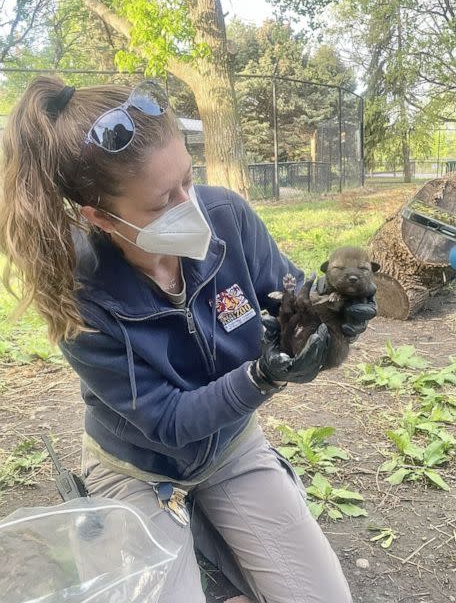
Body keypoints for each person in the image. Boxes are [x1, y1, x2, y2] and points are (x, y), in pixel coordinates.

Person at [0, 76, 376, 603]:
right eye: (161, 204)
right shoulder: (76, 292)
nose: (188, 206)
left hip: (231, 448)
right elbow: (168, 422)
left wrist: (334, 326)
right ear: (99, 217)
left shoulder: (227, 218)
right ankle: (185, 542)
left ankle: (212, 536)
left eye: (188, 180)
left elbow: (295, 311)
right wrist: (259, 377)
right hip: (137, 465)